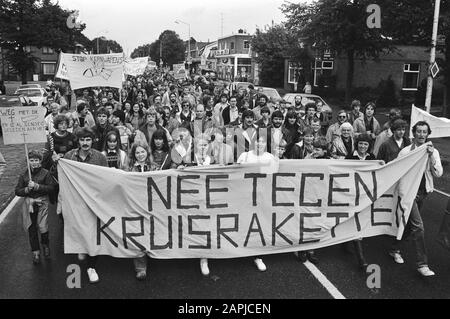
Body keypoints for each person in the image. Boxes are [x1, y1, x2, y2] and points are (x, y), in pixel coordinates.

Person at [388, 121, 442, 277]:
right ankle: (422, 264)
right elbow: (396, 170)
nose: (421, 135)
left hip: (423, 193)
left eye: (424, 132)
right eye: (418, 131)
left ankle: (394, 249)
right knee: (419, 226)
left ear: (428, 134)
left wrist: (431, 157)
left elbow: (438, 173)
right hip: (408, 194)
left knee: (410, 227)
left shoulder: (433, 152)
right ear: (414, 133)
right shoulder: (405, 152)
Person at [64, 127, 108, 283]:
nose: (85, 143)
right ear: (78, 141)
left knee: (93, 235)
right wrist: (54, 161)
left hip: (93, 203)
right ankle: (81, 247)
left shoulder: (100, 158)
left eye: (88, 139)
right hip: (74, 202)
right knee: (78, 231)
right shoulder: (68, 156)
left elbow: (106, 179)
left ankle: (91, 267)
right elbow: (58, 177)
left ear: (93, 140)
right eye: (82, 140)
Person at [237, 134, 277, 272]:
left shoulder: (270, 157)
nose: (260, 144)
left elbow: (272, 175)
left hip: (262, 197)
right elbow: (236, 174)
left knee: (258, 225)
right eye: (257, 142)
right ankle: (239, 250)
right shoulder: (244, 156)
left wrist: (255, 169)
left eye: (263, 142)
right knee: (244, 223)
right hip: (245, 196)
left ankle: (257, 256)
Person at [15, 150, 55, 264]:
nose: (33, 163)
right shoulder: (24, 175)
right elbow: (17, 191)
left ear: (40, 161)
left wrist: (37, 186)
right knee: (32, 229)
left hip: (42, 203)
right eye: (31, 160)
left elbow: (51, 187)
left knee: (43, 228)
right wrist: (27, 189)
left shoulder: (46, 173)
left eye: (36, 160)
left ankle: (45, 246)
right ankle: (35, 252)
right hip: (29, 204)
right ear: (28, 161)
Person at [344, 134, 375, 270]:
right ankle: (360, 258)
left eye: (365, 144)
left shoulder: (372, 158)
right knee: (353, 222)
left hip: (365, 196)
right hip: (352, 195)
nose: (363, 146)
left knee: (359, 223)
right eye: (361, 144)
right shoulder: (350, 157)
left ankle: (350, 246)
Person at [126, 141, 154, 280]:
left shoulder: (154, 167)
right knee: (138, 235)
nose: (140, 154)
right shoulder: (129, 168)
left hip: (152, 206)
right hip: (135, 206)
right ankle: (140, 267)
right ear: (133, 155)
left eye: (142, 151)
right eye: (137, 152)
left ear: (147, 152)